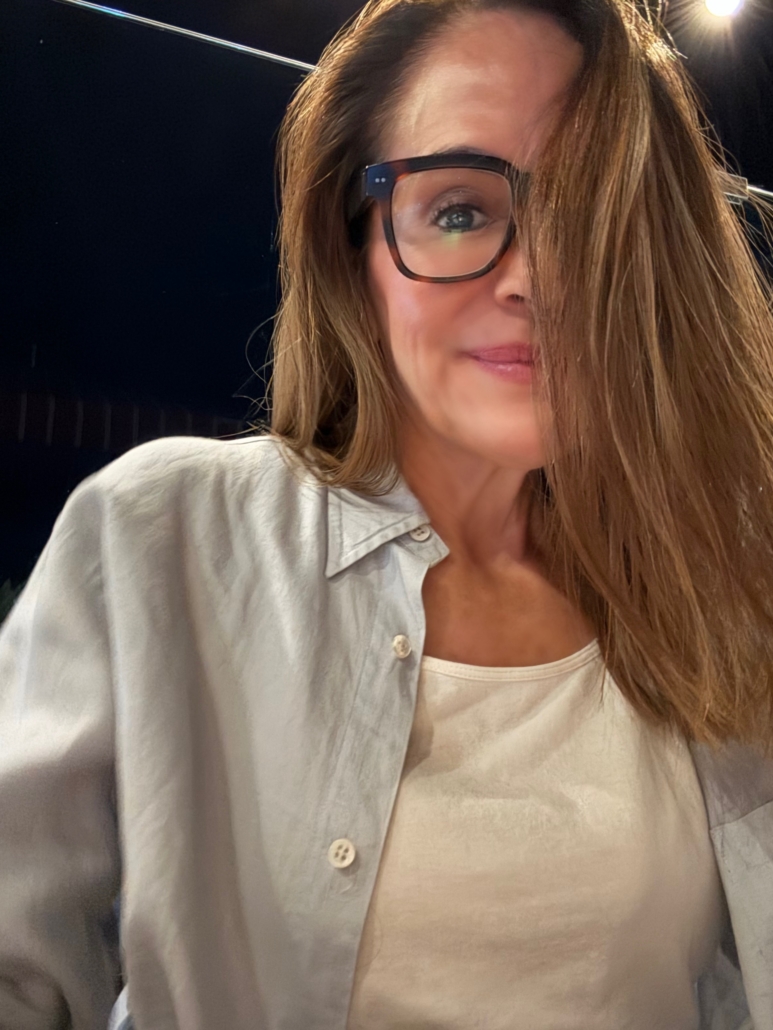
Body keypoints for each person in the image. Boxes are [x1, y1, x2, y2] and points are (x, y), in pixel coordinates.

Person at [2, 0, 773, 1026]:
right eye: (458, 210)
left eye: (592, 218)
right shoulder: (163, 535)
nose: (540, 277)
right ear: (351, 245)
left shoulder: (720, 596)